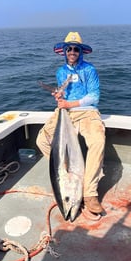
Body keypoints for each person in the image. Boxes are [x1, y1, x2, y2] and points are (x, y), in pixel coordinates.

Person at [36, 31, 106, 214]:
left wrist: (71, 103)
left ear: (81, 51)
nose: (72, 52)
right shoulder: (61, 72)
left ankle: (90, 193)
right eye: (69, 49)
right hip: (65, 112)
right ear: (65, 51)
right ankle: (67, 175)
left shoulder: (89, 70)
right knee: (41, 140)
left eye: (76, 49)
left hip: (87, 112)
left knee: (97, 141)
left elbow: (94, 96)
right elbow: (64, 96)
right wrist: (60, 96)